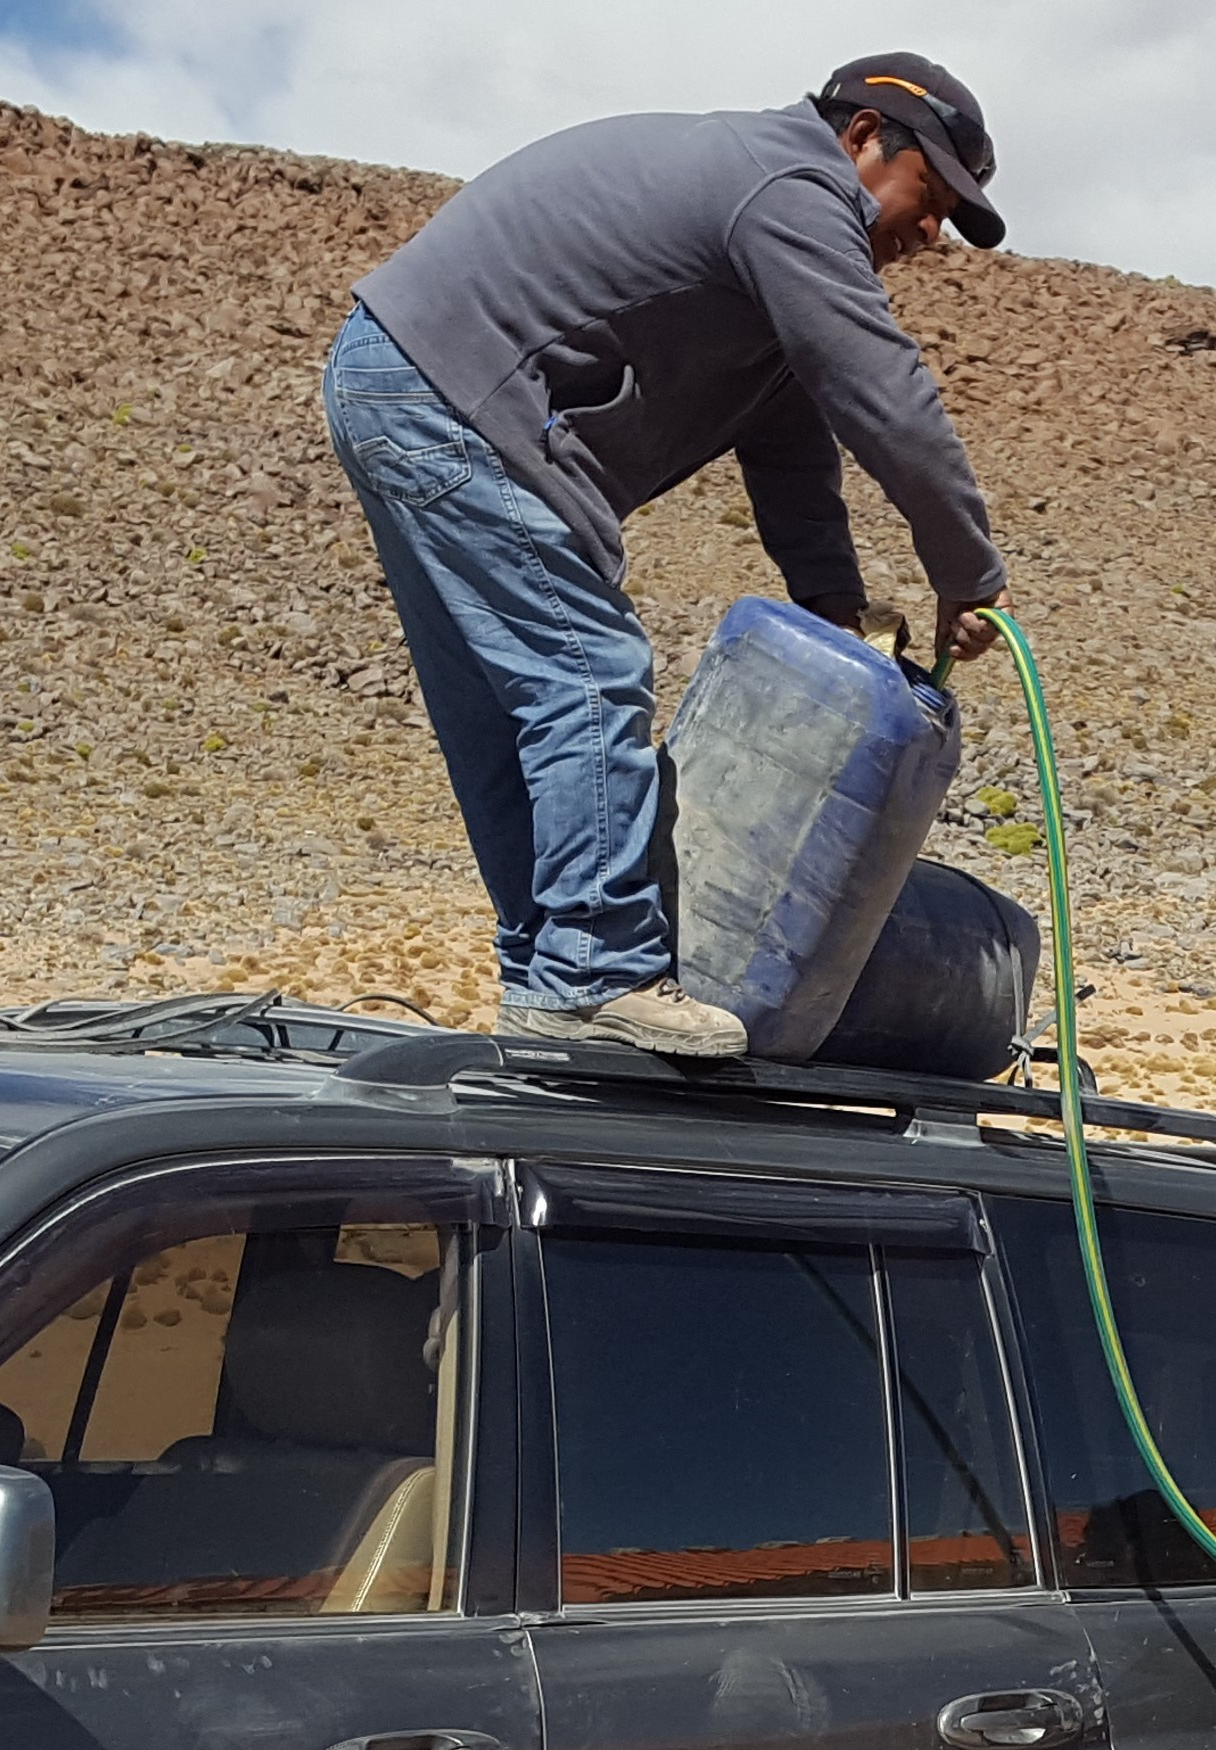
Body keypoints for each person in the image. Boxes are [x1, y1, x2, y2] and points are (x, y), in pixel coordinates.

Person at [326, 55, 1014, 1056]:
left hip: (398, 376)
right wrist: (970, 572)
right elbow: (882, 392)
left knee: (505, 712)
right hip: (455, 398)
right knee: (590, 672)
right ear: (864, 137)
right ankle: (595, 972)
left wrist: (830, 602)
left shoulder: (767, 219)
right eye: (931, 196)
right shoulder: (793, 190)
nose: (931, 233)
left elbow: (789, 439)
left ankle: (548, 976)